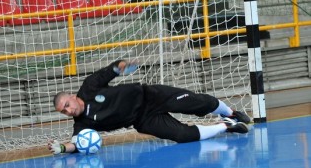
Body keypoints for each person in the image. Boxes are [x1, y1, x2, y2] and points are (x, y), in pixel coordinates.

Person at [48, 60, 251, 154]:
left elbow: (108, 72)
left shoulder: (89, 87)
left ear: (73, 97)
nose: (68, 110)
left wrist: (121, 66)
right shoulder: (81, 124)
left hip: (151, 96)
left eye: (67, 105)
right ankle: (227, 125)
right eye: (63, 111)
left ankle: (232, 113)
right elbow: (77, 143)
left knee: (199, 103)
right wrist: (63, 147)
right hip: (143, 120)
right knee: (183, 136)